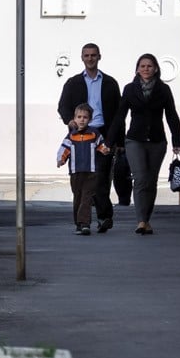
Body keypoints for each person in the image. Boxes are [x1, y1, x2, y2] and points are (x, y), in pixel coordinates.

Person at [106, 53, 180, 235]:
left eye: (149, 66)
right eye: (142, 66)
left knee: (151, 181)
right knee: (140, 179)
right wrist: (109, 141)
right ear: (137, 69)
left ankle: (146, 219)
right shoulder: (130, 89)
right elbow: (119, 116)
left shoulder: (164, 90)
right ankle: (140, 220)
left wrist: (177, 141)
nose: (146, 69)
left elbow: (171, 115)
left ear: (156, 68)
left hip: (157, 141)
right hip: (135, 140)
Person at [57, 43, 121, 232]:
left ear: (99, 57)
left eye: (93, 55)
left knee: (100, 179)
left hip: (102, 134)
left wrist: (118, 140)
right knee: (81, 181)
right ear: (82, 58)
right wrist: (70, 121)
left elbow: (119, 113)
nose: (90, 58)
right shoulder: (73, 82)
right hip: (79, 137)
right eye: (87, 55)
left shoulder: (110, 83)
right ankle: (84, 220)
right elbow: (63, 106)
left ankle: (103, 217)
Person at [56, 103, 111, 235]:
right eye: (79, 117)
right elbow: (64, 149)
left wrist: (105, 149)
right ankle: (78, 224)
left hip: (91, 172)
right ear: (74, 119)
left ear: (90, 119)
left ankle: (84, 224)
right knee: (78, 198)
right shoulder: (71, 136)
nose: (82, 120)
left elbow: (101, 144)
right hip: (75, 172)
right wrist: (61, 159)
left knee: (86, 197)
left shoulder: (94, 134)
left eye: (85, 117)